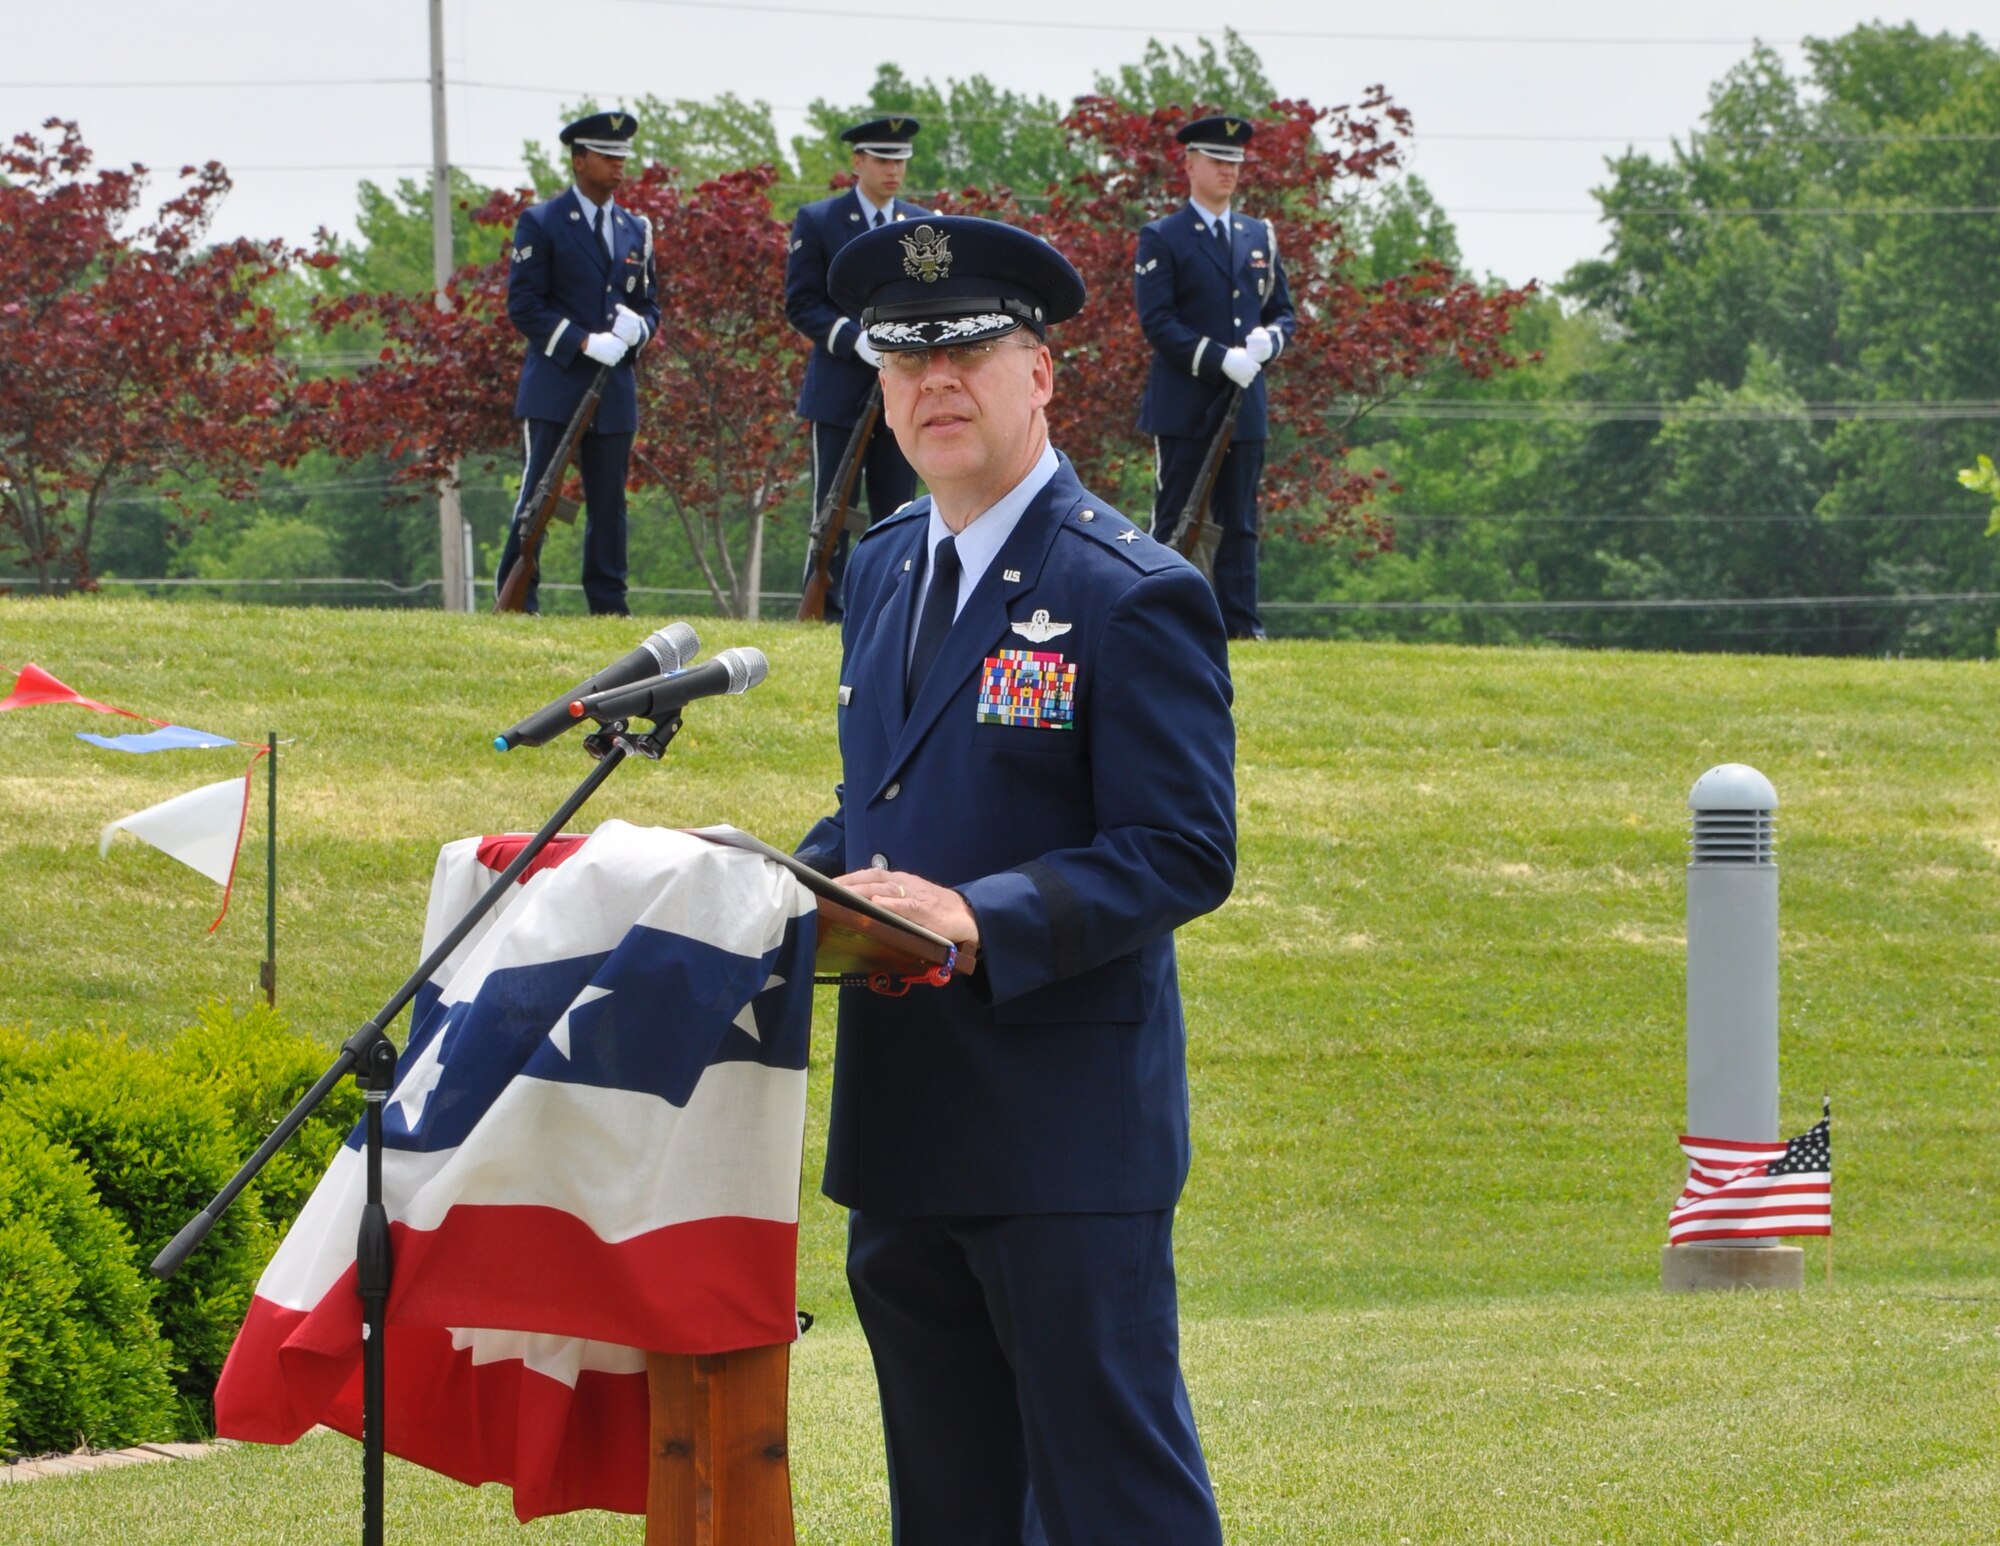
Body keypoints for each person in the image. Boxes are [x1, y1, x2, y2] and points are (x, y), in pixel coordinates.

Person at [795, 215, 1236, 1546]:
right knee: (950, 1511)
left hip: (1062, 1134)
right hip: (905, 1119)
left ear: (1039, 374)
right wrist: (761, 879)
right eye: (903, 358)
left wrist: (981, 915)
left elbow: (1180, 849)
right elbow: (892, 806)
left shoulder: (1128, 590)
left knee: (1114, 1506)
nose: (935, 384)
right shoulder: (878, 572)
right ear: (876, 384)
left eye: (969, 352)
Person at [1134, 113, 1296, 640]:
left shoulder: (1258, 236)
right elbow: (1158, 322)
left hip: (1244, 402)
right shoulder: (1164, 236)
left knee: (1241, 520)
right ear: (1190, 164)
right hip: (1185, 400)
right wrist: (1217, 357)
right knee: (1177, 513)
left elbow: (1283, 312)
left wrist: (1269, 342)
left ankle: (1242, 624)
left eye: (1236, 163)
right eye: (1218, 160)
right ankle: (1166, 619)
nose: (1229, 171)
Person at [496, 109, 661, 616]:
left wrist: (641, 330)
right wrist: (583, 343)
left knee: (609, 504)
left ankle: (608, 602)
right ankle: (518, 596)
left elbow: (650, 301)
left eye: (622, 158)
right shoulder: (542, 222)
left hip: (614, 387)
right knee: (539, 494)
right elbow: (524, 305)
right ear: (579, 159)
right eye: (607, 156)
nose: (618, 167)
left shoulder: (635, 228)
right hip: (557, 382)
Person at [785, 116, 931, 619]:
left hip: (904, 387)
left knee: (898, 506)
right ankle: (822, 605)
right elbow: (801, 303)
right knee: (832, 506)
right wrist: (853, 340)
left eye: (901, 161)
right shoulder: (820, 220)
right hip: (839, 387)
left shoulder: (920, 223)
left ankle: (891, 605)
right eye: (884, 160)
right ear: (858, 162)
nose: (894, 170)